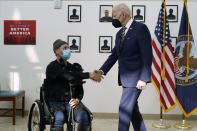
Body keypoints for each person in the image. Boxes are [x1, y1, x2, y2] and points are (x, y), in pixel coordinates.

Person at [95, 3, 152, 131]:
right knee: (132, 111)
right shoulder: (119, 33)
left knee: (125, 109)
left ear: (124, 14)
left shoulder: (141, 29)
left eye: (114, 16)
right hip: (125, 78)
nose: (113, 19)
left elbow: (147, 55)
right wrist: (102, 71)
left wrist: (144, 78)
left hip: (136, 78)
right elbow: (114, 55)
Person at [46, 39, 101, 131]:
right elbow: (68, 76)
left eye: (68, 48)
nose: (68, 50)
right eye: (65, 48)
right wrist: (89, 75)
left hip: (71, 101)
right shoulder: (52, 67)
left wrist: (77, 99)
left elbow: (79, 86)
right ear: (56, 51)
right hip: (55, 101)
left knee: (83, 116)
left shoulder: (73, 67)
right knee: (59, 117)